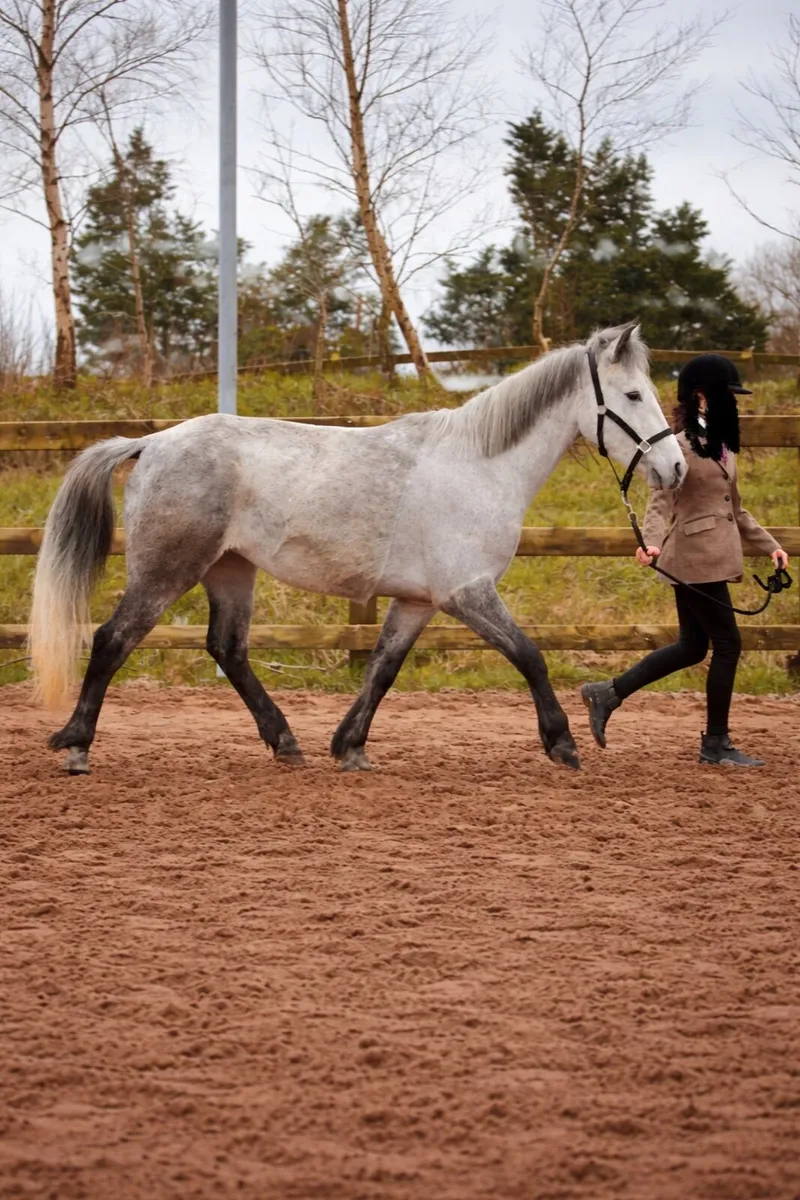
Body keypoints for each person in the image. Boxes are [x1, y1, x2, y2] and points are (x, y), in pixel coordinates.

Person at [581, 354, 789, 767]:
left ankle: (607, 693)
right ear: (700, 397)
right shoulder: (675, 447)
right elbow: (659, 502)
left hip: (713, 556)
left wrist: (771, 546)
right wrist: (652, 543)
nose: (733, 404)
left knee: (693, 646)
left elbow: (736, 508)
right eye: (726, 396)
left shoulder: (724, 445)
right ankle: (715, 744)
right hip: (693, 558)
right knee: (728, 644)